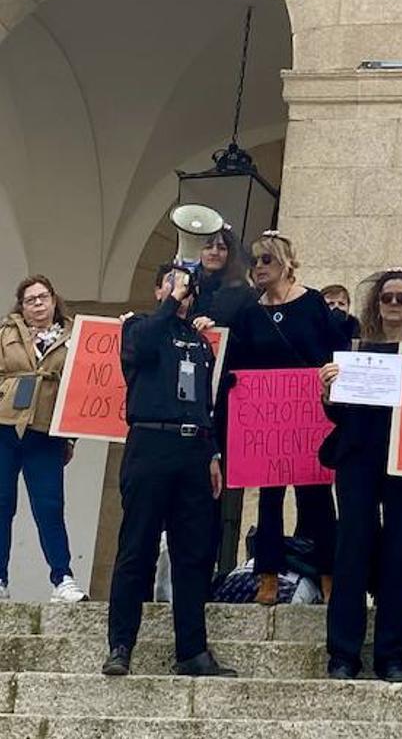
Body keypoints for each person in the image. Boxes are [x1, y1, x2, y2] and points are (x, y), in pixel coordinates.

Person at [103, 265, 234, 677]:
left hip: (193, 448)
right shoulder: (141, 327)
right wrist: (170, 302)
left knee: (192, 554)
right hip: (150, 444)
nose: (181, 290)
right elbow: (138, 350)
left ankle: (192, 650)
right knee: (136, 547)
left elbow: (203, 402)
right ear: (159, 289)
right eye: (172, 282)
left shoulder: (199, 342)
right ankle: (121, 644)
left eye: (186, 285)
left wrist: (212, 452)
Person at [318, 270, 402, 681]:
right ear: (376, 303)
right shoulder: (353, 350)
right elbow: (338, 412)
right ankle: (343, 654)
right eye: (388, 297)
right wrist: (328, 391)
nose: (395, 305)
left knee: (400, 557)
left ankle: (392, 655)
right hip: (359, 458)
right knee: (351, 551)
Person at [230, 232, 347, 605]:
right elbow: (238, 361)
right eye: (255, 262)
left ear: (285, 263)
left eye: (266, 260)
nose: (259, 267)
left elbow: (335, 348)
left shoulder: (312, 303)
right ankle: (268, 573)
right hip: (268, 419)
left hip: (310, 412)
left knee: (316, 497)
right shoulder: (250, 311)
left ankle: (327, 572)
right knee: (269, 498)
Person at [0, 276, 85, 602]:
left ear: (54, 299)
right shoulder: (6, 333)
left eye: (43, 297)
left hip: (46, 430)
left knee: (49, 506)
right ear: (21, 306)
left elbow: (82, 387)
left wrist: (72, 437)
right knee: (2, 505)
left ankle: (62, 578)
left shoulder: (74, 334)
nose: (37, 304)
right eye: (30, 299)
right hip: (5, 425)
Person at [186, 226, 257, 576]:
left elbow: (247, 343)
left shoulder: (241, 294)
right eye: (208, 245)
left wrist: (217, 329)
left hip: (223, 401)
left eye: (221, 247)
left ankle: (217, 564)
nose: (214, 251)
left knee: (217, 488)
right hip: (181, 403)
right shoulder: (184, 287)